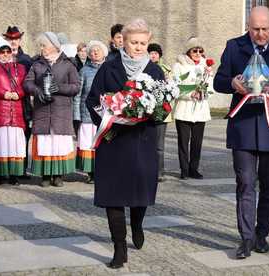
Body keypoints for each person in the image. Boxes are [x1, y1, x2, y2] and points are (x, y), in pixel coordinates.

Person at [214, 7, 269, 259]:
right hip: (242, 126)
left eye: (265, 29)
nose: (261, 34)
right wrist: (231, 82)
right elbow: (218, 81)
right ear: (248, 26)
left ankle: (261, 233)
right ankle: (246, 238)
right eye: (255, 29)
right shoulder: (234, 46)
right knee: (244, 183)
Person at [86, 18, 164, 269]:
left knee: (139, 193)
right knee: (113, 195)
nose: (139, 47)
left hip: (142, 140)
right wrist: (110, 118)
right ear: (123, 42)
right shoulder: (109, 68)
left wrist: (151, 113)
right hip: (114, 141)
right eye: (134, 42)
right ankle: (119, 248)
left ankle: (138, 223)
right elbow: (92, 100)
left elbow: (164, 106)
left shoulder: (155, 71)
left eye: (143, 43)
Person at [23, 32, 80, 187]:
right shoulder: (37, 64)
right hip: (43, 109)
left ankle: (58, 175)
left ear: (54, 47)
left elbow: (76, 87)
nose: (42, 49)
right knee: (45, 143)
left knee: (59, 143)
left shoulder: (68, 65)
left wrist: (59, 88)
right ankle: (45, 175)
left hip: (61, 110)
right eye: (41, 46)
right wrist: (38, 92)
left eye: (44, 46)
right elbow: (27, 83)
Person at [0, 36, 27, 186]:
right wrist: (3, 93)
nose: (6, 54)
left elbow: (25, 85)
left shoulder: (19, 68)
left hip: (16, 109)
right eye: (3, 51)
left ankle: (14, 175)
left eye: (8, 51)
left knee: (14, 143)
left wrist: (18, 93)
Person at [172, 37, 212, 180]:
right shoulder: (179, 65)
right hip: (184, 108)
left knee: (197, 142)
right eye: (195, 50)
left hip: (200, 109)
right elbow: (175, 86)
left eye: (200, 50)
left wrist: (204, 92)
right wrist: (190, 94)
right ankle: (184, 169)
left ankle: (193, 168)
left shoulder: (205, 66)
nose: (198, 53)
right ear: (189, 51)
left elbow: (211, 86)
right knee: (183, 141)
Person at [0, 26, 33, 178]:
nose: (13, 42)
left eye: (16, 39)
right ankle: (3, 170)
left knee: (22, 137)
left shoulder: (26, 60)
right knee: (4, 137)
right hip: (3, 103)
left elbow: (30, 82)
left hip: (22, 103)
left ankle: (21, 169)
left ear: (20, 40)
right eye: (10, 39)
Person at [73, 40, 108, 184]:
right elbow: (78, 94)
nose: (94, 54)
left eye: (97, 51)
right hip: (87, 114)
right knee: (88, 143)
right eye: (92, 52)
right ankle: (90, 173)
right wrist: (76, 114)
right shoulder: (84, 71)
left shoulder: (109, 69)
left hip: (105, 114)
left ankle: (103, 171)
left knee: (103, 143)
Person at [148, 43, 172, 181]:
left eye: (156, 53)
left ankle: (159, 171)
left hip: (162, 110)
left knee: (159, 145)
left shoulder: (166, 69)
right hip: (147, 109)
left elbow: (172, 89)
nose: (153, 55)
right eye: (151, 53)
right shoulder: (143, 68)